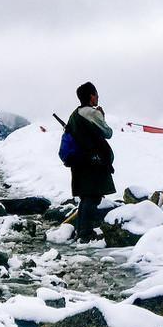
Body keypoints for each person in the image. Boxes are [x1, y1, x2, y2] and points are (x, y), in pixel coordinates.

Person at [66, 81, 116, 242]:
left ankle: (82, 231)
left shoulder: (75, 114)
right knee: (92, 197)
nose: (98, 97)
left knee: (86, 196)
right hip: (92, 162)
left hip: (79, 161)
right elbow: (108, 133)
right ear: (91, 96)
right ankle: (85, 234)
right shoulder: (92, 113)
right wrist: (101, 116)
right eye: (96, 94)